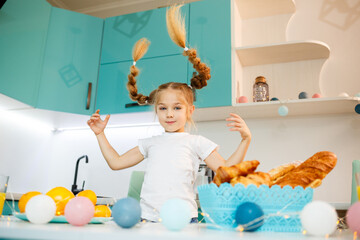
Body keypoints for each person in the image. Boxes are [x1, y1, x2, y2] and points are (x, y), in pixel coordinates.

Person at [87, 5, 251, 223]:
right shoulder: (150, 143)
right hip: (146, 220)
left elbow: (228, 172)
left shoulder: (197, 142)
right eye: (163, 108)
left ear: (190, 110)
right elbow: (116, 163)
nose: (169, 114)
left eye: (177, 107)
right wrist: (100, 134)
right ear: (156, 111)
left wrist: (246, 139)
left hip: (183, 220)